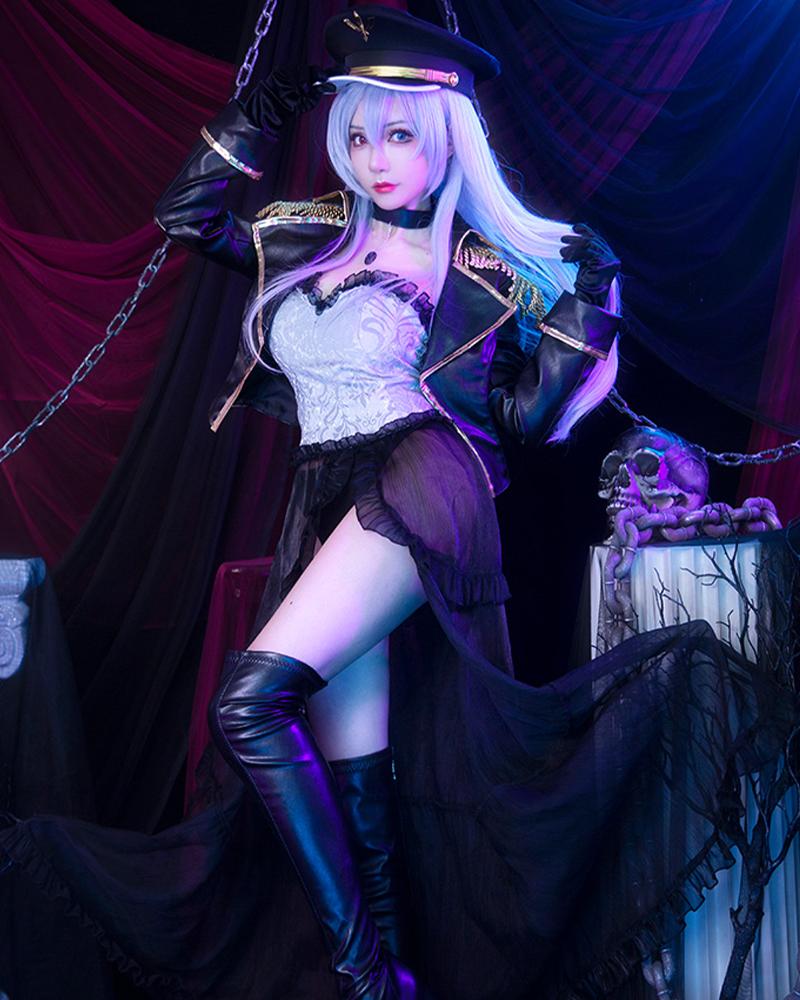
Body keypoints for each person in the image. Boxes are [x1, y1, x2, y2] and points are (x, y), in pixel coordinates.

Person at [0, 7, 784, 1000]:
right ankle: (386, 975)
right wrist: (256, 115)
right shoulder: (306, 239)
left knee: (251, 700)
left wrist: (589, 307)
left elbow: (526, 417)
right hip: (323, 491)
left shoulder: (488, 273)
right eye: (359, 134)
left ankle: (365, 975)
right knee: (356, 770)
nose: (375, 158)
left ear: (445, 141)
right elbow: (187, 216)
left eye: (399, 134)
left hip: (421, 479)